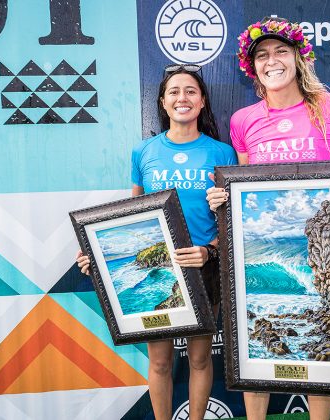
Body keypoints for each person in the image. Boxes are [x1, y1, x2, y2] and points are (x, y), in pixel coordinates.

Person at [206, 17, 330, 420]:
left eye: (281, 51)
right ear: (252, 67)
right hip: (253, 242)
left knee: (328, 337)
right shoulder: (243, 120)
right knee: (251, 343)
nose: (272, 60)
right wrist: (223, 199)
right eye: (262, 55)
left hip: (325, 238)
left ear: (298, 57)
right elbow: (243, 186)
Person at [76, 63, 236, 420]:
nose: (183, 97)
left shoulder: (222, 153)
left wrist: (208, 251)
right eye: (175, 91)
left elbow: (230, 218)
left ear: (202, 101)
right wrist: (96, 252)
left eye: (191, 91)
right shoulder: (143, 152)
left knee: (199, 358)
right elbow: (131, 216)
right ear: (163, 102)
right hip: (162, 266)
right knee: (160, 361)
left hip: (202, 264)